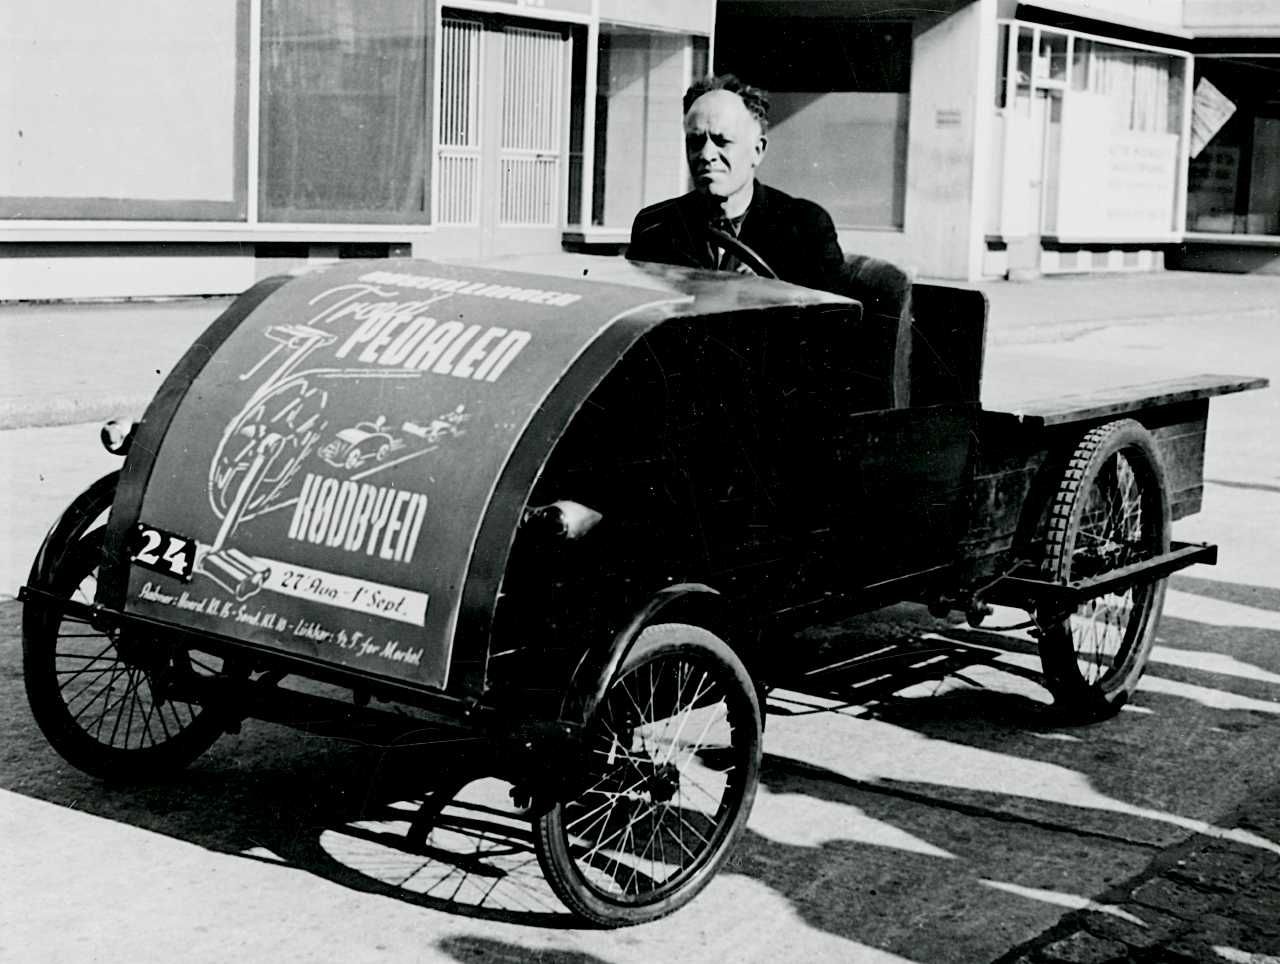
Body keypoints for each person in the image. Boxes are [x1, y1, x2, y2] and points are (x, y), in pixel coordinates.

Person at [627, 74, 846, 294]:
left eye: (722, 141)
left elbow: (835, 313)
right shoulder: (655, 226)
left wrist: (769, 295)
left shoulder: (805, 226)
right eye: (695, 142)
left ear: (757, 151)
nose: (706, 154)